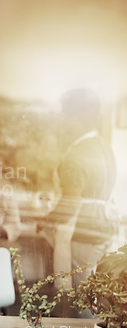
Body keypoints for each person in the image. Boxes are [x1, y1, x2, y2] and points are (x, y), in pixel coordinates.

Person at [37, 88, 118, 289]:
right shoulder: (104, 147)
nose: (63, 121)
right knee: (97, 297)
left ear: (75, 117)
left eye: (65, 114)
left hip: (82, 235)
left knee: (81, 299)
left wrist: (44, 219)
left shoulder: (77, 154)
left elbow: (69, 207)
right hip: (104, 230)